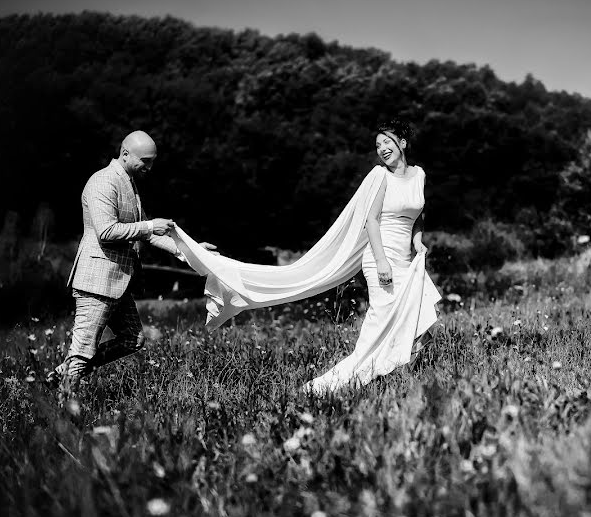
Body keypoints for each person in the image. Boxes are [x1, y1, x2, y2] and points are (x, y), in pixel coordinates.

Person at [172, 119, 441, 393]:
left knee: (419, 311)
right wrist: (382, 262)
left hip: (406, 258)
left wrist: (418, 241)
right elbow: (371, 221)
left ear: (403, 143)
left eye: (388, 142)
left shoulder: (418, 175)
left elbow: (417, 213)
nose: (382, 149)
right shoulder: (379, 176)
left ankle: (396, 370)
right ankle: (343, 381)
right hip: (380, 257)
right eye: (378, 145)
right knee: (381, 320)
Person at [47, 131, 216, 401]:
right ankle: (64, 410)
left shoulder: (129, 182)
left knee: (132, 339)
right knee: (83, 350)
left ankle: (64, 373)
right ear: (125, 154)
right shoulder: (102, 181)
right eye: (145, 161)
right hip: (97, 279)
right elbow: (107, 231)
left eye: (152, 162)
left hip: (119, 281)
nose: (149, 168)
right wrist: (149, 225)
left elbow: (149, 234)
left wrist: (192, 253)